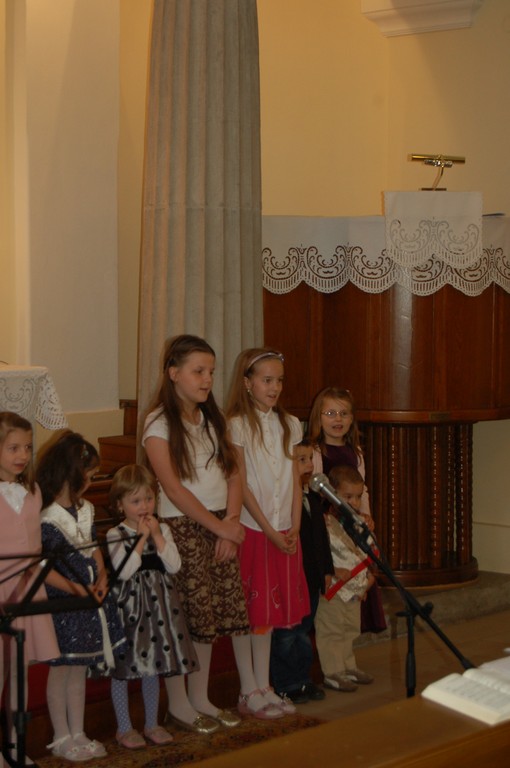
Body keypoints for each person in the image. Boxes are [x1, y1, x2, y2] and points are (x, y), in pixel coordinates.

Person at [142, 334, 251, 735]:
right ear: (173, 373)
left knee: (210, 617)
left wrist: (231, 523)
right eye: (198, 371)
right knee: (185, 619)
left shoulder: (213, 418)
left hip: (220, 524)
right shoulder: (158, 423)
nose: (207, 380)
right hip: (183, 529)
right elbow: (173, 489)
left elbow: (234, 473)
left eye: (211, 372)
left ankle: (201, 697)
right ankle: (179, 704)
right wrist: (219, 526)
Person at [225, 347, 310, 718]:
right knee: (251, 614)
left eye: (279, 381)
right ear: (247, 383)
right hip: (255, 530)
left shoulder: (289, 423)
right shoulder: (236, 425)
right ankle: (248, 688)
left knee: (270, 615)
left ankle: (265, 686)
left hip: (285, 529)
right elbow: (240, 484)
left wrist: (295, 526)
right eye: (266, 380)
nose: (274, 387)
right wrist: (268, 529)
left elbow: (294, 479)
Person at [36, 430, 126, 761]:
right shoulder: (47, 516)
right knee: (62, 668)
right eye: (87, 476)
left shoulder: (85, 509)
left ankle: (79, 731)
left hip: (88, 600)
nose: (89, 483)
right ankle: (61, 736)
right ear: (68, 474)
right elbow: (43, 567)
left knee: (80, 669)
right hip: (64, 603)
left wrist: (101, 575)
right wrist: (77, 590)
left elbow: (92, 547)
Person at [107, 464, 197, 748]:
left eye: (148, 499)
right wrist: (141, 538)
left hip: (159, 609)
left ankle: (151, 723)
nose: (144, 506)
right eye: (135, 501)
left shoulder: (163, 529)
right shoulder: (115, 534)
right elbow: (124, 571)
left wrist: (157, 536)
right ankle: (124, 727)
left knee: (153, 666)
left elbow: (174, 565)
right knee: (124, 668)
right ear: (120, 505)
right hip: (129, 610)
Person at [0, 412, 60, 768]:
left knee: (19, 672)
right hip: (0, 593)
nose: (22, 455)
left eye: (27, 447)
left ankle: (14, 744)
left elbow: (36, 553)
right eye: (13, 448)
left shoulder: (33, 492)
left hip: (26, 593)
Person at [307, 386, 386, 635]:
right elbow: (312, 491)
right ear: (318, 417)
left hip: (351, 526)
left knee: (358, 573)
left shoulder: (356, 453)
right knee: (337, 579)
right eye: (330, 413)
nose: (337, 419)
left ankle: (349, 635)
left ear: (352, 418)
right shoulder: (316, 451)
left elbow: (363, 488)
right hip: (328, 529)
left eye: (344, 413)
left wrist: (365, 514)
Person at [270, 438, 334, 703]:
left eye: (311, 459)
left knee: (304, 633)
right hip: (292, 578)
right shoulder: (284, 504)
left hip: (313, 579)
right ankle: (286, 683)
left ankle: (303, 679)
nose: (309, 465)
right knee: (287, 634)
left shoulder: (314, 498)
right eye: (302, 460)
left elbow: (322, 539)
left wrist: (327, 570)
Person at [314, 464, 375, 693]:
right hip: (334, 588)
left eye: (358, 497)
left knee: (350, 628)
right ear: (331, 494)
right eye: (348, 496)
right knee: (332, 630)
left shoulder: (358, 522)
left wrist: (367, 578)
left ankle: (348, 666)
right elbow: (320, 552)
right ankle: (333, 672)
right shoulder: (324, 522)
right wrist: (332, 570)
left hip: (354, 588)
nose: (355, 503)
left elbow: (363, 551)